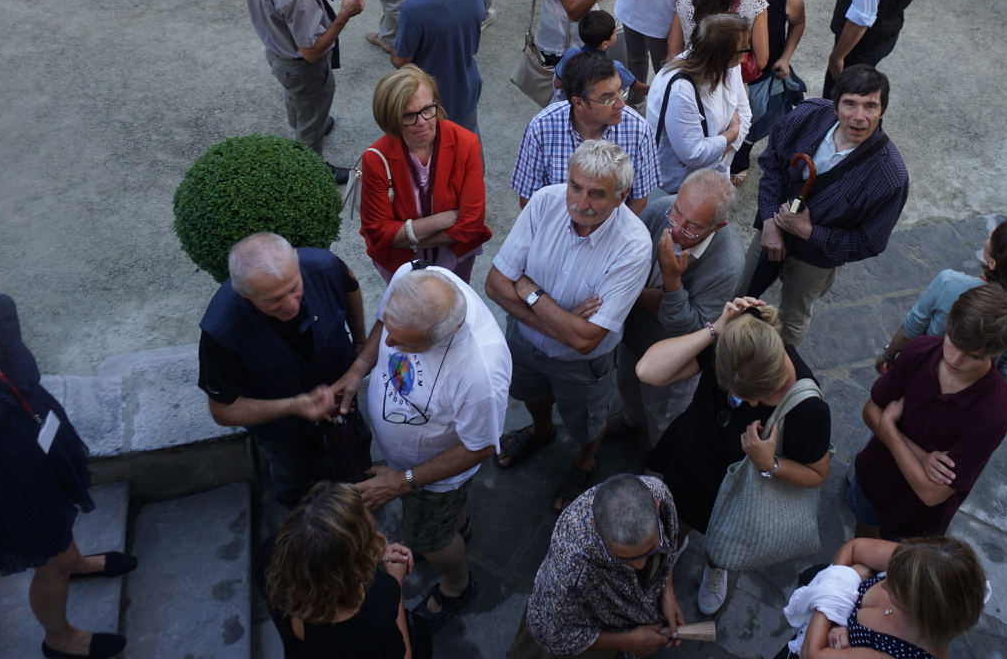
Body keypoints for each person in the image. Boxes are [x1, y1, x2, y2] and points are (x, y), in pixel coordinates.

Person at [0, 235, 134, 659]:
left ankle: (74, 562)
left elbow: (19, 379)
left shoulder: (0, 310)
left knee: (60, 532)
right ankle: (58, 637)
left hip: (42, 438)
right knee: (51, 562)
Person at [328, 265, 510, 631]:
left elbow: (480, 447)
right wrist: (358, 368)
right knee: (444, 522)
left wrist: (401, 482)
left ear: (448, 334)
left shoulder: (480, 376)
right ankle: (458, 526)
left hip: (432, 476)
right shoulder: (414, 277)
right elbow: (385, 324)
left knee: (431, 540)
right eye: (392, 334)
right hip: (409, 466)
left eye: (407, 345)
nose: (389, 345)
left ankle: (457, 585)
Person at [486, 141, 652, 511]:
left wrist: (532, 294)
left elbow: (587, 341)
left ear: (622, 197)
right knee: (529, 390)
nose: (580, 203)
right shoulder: (544, 202)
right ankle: (541, 430)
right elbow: (495, 285)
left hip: (582, 364)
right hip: (525, 343)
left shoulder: (634, 246)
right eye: (575, 187)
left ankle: (585, 461)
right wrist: (567, 322)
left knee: (589, 421)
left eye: (597, 194)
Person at [639, 298, 832, 616]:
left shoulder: (808, 408)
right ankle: (672, 548)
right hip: (692, 456)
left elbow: (817, 473)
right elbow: (647, 371)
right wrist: (716, 328)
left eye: (756, 397)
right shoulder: (737, 344)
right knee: (676, 519)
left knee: (722, 539)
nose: (750, 405)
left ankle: (717, 564)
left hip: (737, 491)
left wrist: (769, 464)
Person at [742, 66, 909, 346]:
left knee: (792, 320)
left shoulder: (891, 176)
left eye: (870, 106)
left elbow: (870, 242)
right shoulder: (808, 115)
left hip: (815, 258)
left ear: (882, 112)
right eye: (850, 104)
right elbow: (772, 164)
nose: (859, 116)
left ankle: (775, 367)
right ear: (835, 106)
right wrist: (770, 221)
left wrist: (809, 232)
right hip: (773, 227)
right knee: (741, 294)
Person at [196, 233, 367, 507]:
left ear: (296, 260)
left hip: (338, 389)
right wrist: (294, 406)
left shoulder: (326, 265)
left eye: (294, 287)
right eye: (272, 300)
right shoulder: (221, 330)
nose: (290, 305)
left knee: (355, 446)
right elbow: (222, 410)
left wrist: (360, 341)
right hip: (279, 425)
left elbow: (351, 286)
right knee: (293, 473)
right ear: (243, 293)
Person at [849, 285, 1007, 542]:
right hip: (874, 479)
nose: (954, 359)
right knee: (862, 538)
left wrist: (890, 430)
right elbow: (870, 411)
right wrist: (921, 456)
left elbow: (931, 494)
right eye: (953, 342)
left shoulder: (994, 412)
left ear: (995, 352)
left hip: (916, 516)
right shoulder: (920, 350)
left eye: (971, 355)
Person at [615, 169, 743, 444]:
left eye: (692, 225)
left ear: (717, 227)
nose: (675, 228)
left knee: (664, 417)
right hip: (631, 336)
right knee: (627, 387)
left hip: (673, 361)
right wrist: (642, 295)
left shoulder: (728, 264)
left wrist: (672, 283)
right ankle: (631, 421)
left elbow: (694, 332)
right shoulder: (659, 210)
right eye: (677, 212)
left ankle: (660, 458)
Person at [245, 0, 365, 181]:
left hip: (277, 51)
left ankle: (306, 123)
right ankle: (311, 169)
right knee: (311, 110)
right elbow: (311, 52)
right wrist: (344, 15)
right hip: (301, 68)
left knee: (296, 97)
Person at [505, 474, 685, 659]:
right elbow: (550, 635)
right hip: (590, 624)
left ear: (656, 507)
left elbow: (669, 543)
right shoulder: (569, 568)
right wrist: (627, 641)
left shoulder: (657, 491)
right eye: (622, 558)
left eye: (651, 549)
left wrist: (667, 592)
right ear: (596, 528)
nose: (641, 565)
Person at [255, 481, 431, 659]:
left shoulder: (269, 556)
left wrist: (368, 558)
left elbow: (317, 565)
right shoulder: (377, 613)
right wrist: (396, 587)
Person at [359, 65, 490, 285]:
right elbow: (379, 233)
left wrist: (404, 239)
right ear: (390, 117)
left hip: (454, 257)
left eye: (428, 109)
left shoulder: (465, 143)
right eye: (408, 115)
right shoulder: (376, 158)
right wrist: (441, 220)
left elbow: (471, 224)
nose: (422, 122)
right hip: (401, 264)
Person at [876, 219, 1007, 384]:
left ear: (993, 263)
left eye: (994, 238)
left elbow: (911, 330)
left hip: (921, 369)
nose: (991, 232)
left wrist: (888, 354)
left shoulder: (949, 283)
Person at [775, 536, 987, 659]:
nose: (883, 584)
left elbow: (811, 654)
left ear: (920, 610)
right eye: (888, 575)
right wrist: (836, 618)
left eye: (896, 590)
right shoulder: (919, 563)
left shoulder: (901, 653)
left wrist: (838, 588)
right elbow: (854, 548)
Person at [512, 51, 661, 215]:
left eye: (620, 91)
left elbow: (638, 200)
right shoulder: (542, 128)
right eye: (608, 98)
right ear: (579, 103)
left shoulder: (638, 130)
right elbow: (529, 200)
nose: (621, 104)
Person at [390, 0, 486, 134]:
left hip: (432, 101)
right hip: (467, 90)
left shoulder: (414, 8)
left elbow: (401, 61)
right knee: (468, 144)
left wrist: (393, 50)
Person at [645, 13, 753, 192]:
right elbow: (693, 155)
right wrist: (732, 133)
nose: (747, 52)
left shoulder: (730, 67)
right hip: (679, 186)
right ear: (723, 54)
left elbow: (744, 113)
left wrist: (723, 149)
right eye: (744, 48)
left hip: (711, 172)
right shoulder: (681, 90)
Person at [731, 0, 807, 184]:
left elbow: (798, 23)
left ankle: (740, 160)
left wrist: (785, 57)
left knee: (754, 117)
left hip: (762, 72)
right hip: (728, 65)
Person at [550, 10, 640, 104]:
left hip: (568, 105)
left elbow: (557, 85)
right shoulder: (614, 67)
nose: (617, 30)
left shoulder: (571, 53)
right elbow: (639, 88)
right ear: (604, 44)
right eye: (614, 32)